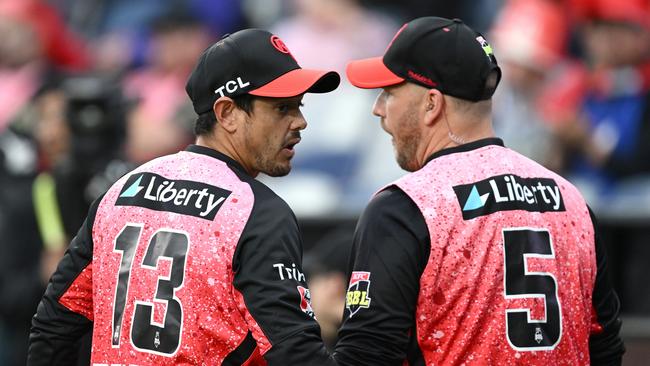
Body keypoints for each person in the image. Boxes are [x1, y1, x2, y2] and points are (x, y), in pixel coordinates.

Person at [27, 28, 341, 365]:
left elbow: (54, 325)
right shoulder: (256, 211)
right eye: (282, 109)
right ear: (226, 113)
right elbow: (296, 353)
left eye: (299, 106)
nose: (301, 122)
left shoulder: (122, 189)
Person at [332, 17, 625, 365]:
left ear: (431, 104)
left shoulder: (406, 205)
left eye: (389, 93)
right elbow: (605, 348)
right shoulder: (571, 200)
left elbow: (367, 356)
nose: (378, 109)